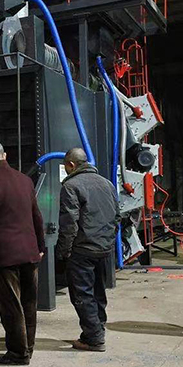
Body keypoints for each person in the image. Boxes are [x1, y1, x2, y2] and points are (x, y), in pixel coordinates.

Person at [0, 141, 45, 366]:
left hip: (5, 255)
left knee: (10, 305)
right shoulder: (24, 180)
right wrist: (40, 246)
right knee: (29, 303)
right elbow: (36, 216)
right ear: (4, 155)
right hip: (29, 251)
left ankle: (17, 354)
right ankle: (27, 348)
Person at [56, 147, 120, 353]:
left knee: (82, 295)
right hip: (104, 248)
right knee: (98, 292)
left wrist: (63, 252)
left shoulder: (71, 186)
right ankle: (96, 330)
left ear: (71, 165)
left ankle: (94, 338)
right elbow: (117, 216)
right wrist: (108, 241)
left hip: (82, 249)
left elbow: (69, 224)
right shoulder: (107, 183)